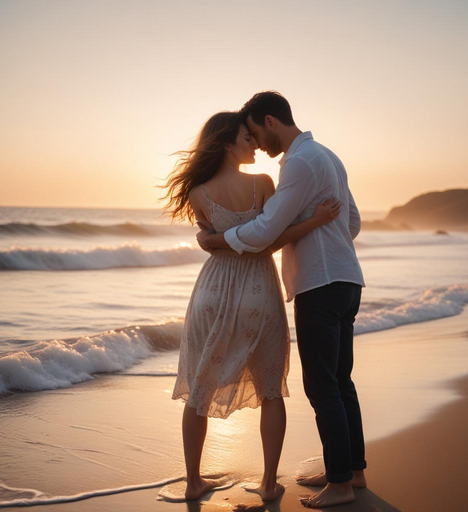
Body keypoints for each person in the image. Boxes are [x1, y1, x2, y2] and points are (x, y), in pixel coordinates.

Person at [196, 92, 366, 509]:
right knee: (340, 381)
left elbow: (266, 230)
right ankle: (351, 469)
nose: (257, 143)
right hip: (346, 279)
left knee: (322, 386)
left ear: (270, 121)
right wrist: (328, 238)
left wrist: (216, 240)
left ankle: (341, 486)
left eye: (255, 132)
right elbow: (354, 222)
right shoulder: (327, 155)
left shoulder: (298, 163)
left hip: (320, 285)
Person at [160, 111, 340, 502]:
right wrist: (316, 221)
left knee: (199, 388)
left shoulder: (197, 193)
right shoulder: (262, 184)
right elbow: (267, 240)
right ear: (226, 143)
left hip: (212, 289)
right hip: (257, 287)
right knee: (270, 390)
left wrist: (213, 238)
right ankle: (268, 483)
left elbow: (215, 240)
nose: (255, 144)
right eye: (246, 138)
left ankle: (193, 483)